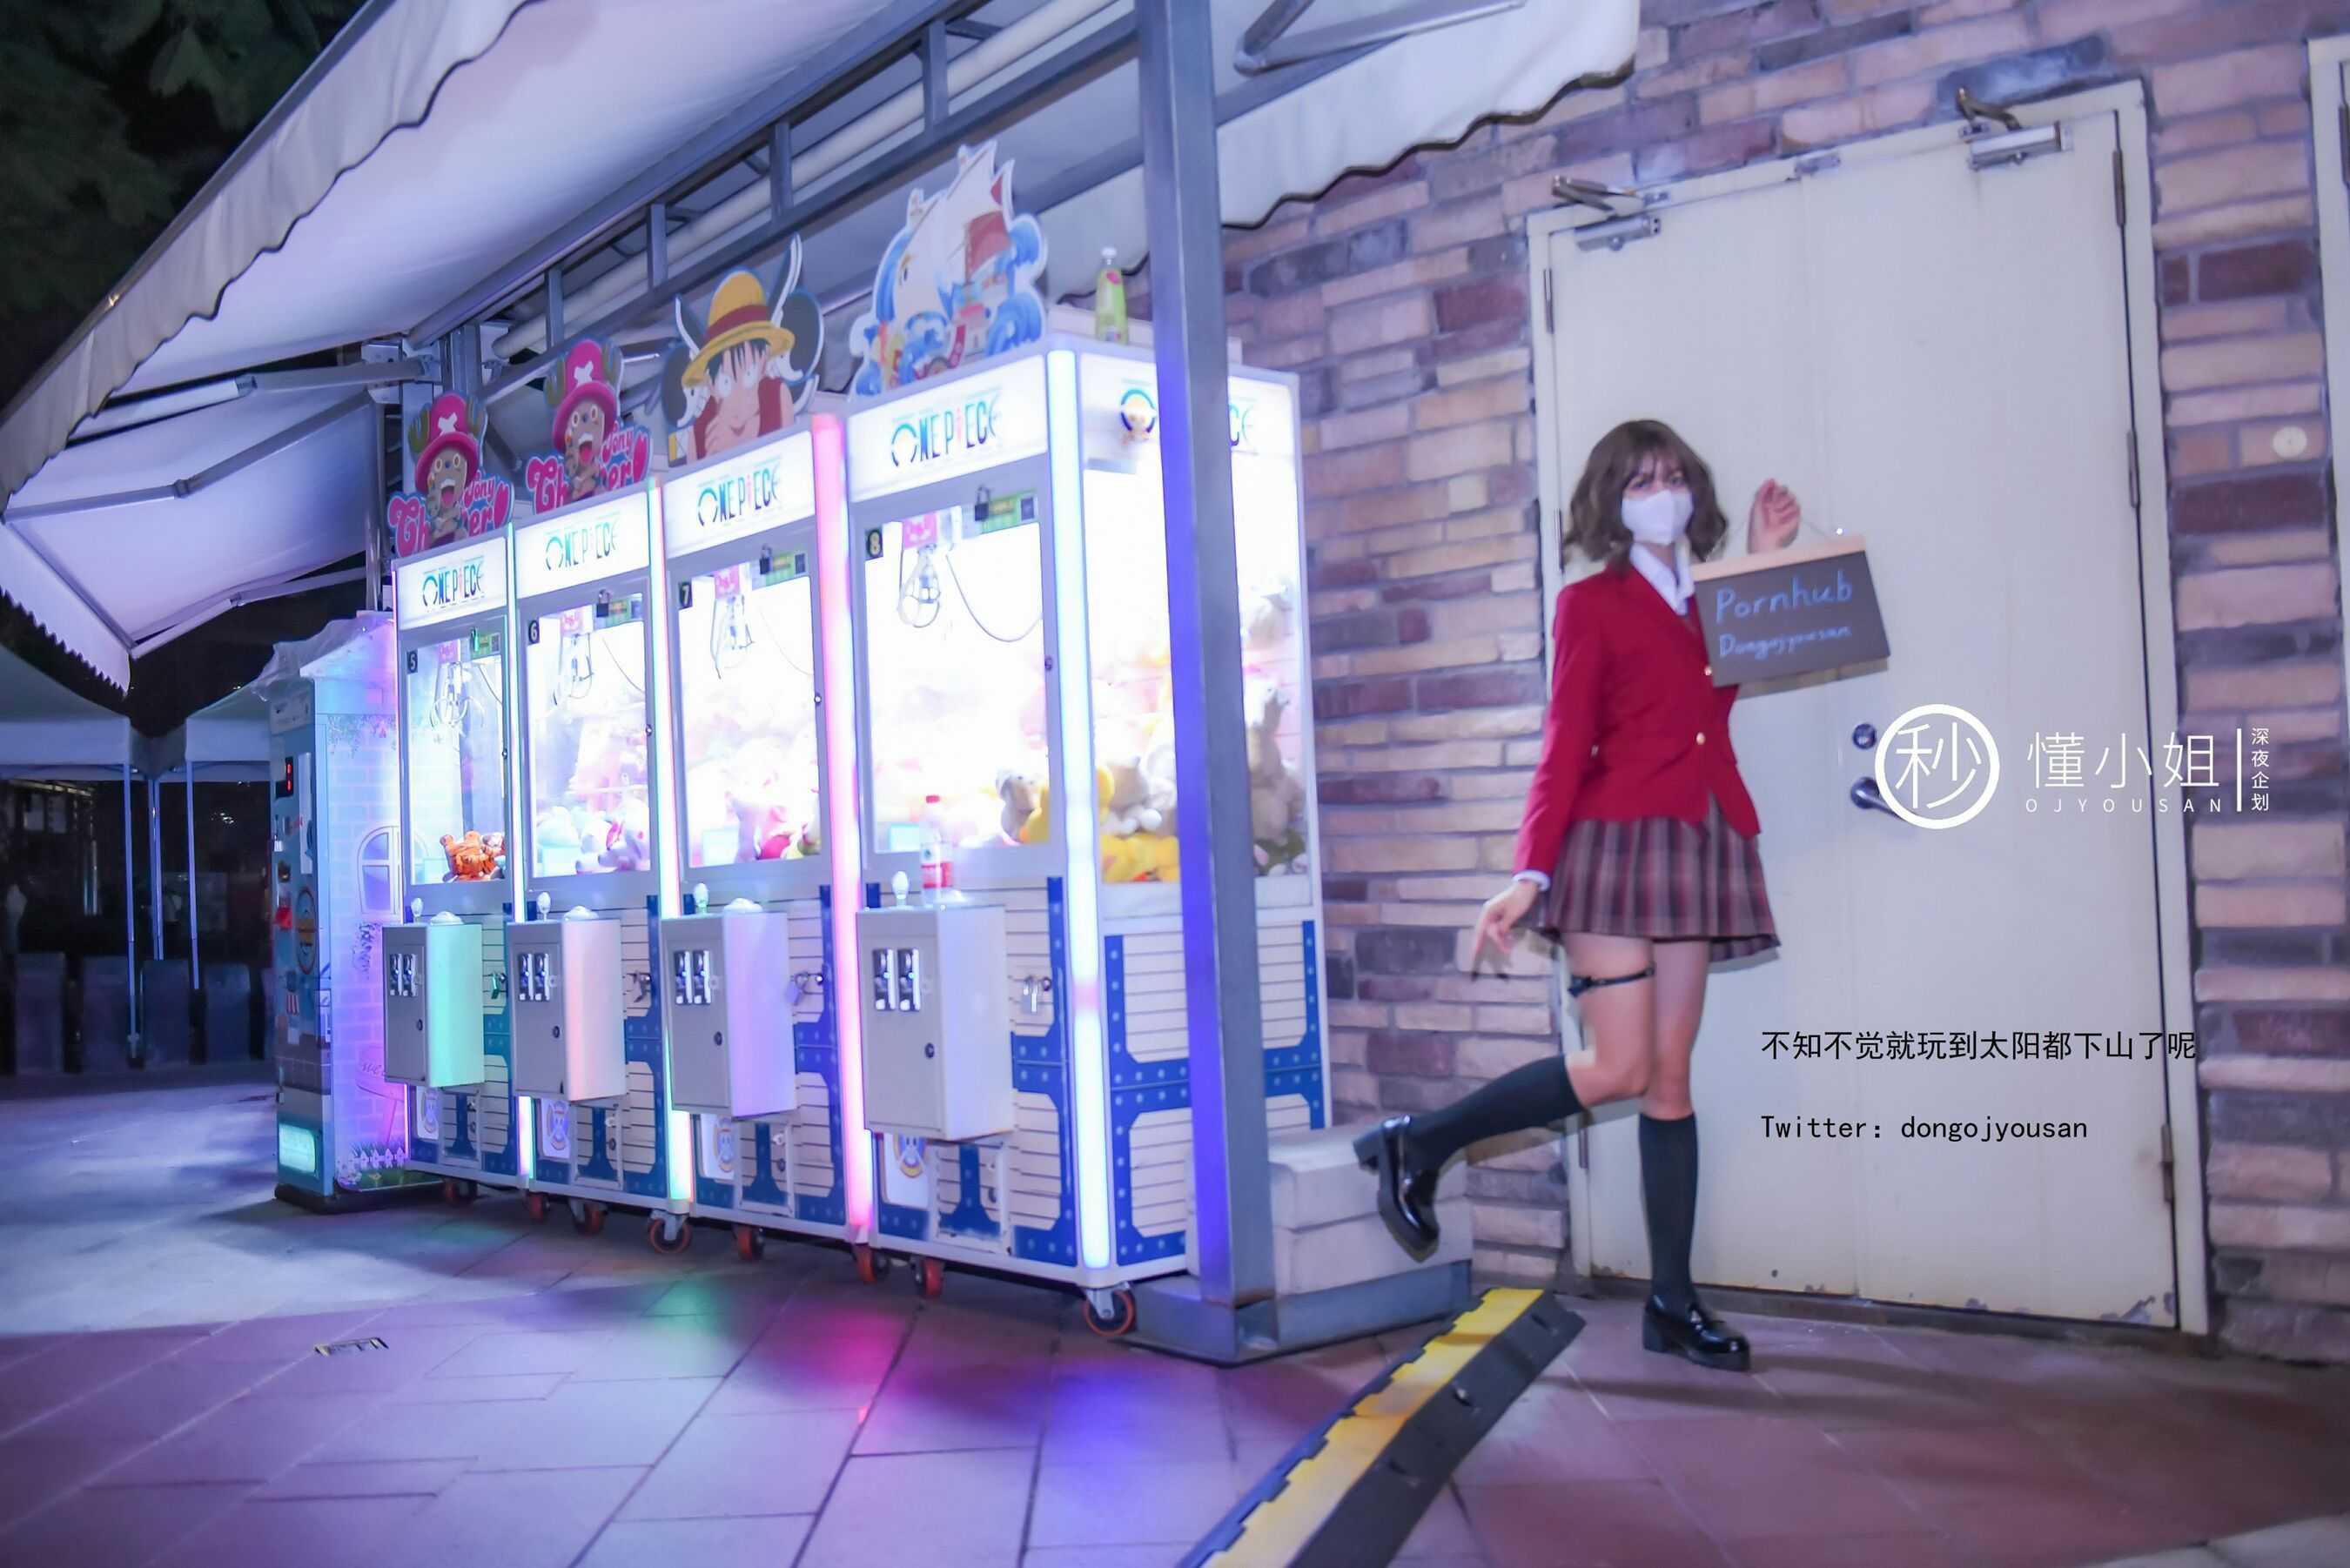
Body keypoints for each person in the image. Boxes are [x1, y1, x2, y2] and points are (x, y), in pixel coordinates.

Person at [1355, 419, 1803, 1373]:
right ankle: (1420, 1142)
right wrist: (1531, 871)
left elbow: (1720, 700)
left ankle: (1672, 1304)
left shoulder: (1712, 596)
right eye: (1641, 481)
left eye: (1674, 476)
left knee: (1671, 1079)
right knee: (1621, 1066)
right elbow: (1565, 739)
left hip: (1700, 831)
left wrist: (1765, 562)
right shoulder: (1589, 603)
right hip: (1613, 842)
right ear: (1611, 502)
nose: (1662, 493)